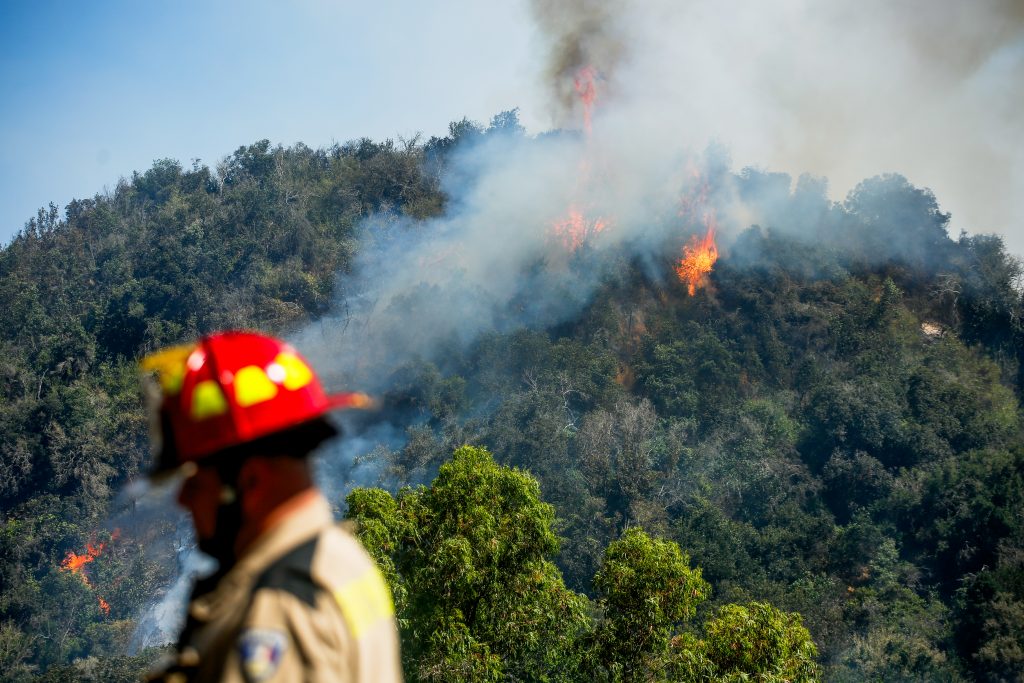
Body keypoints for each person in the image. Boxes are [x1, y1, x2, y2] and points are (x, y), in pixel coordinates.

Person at [141, 331, 402, 682]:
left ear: (250, 481)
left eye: (196, 481)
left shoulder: (277, 609)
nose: (182, 498)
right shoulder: (339, 556)